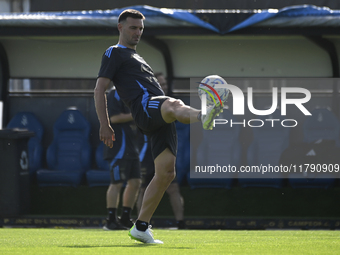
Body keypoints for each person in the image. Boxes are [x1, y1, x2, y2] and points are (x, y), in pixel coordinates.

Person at [94, 9, 225, 244]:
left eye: (141, 29)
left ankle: (141, 227)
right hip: (144, 107)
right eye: (133, 28)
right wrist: (104, 124)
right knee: (174, 104)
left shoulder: (139, 57)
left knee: (166, 173)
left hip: (157, 116)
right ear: (120, 27)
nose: (138, 32)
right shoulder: (114, 52)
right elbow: (99, 89)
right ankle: (204, 114)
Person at [136, 72, 185, 229]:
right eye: (161, 84)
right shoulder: (144, 102)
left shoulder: (171, 103)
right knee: (142, 189)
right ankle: (141, 224)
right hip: (147, 153)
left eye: (165, 84)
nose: (164, 87)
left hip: (163, 150)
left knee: (173, 187)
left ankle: (180, 223)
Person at [103, 88, 141, 230]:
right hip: (118, 148)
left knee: (135, 182)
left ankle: (125, 218)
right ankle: (111, 220)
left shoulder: (133, 93)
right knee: (116, 183)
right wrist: (135, 115)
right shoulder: (114, 93)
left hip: (132, 149)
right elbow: (113, 118)